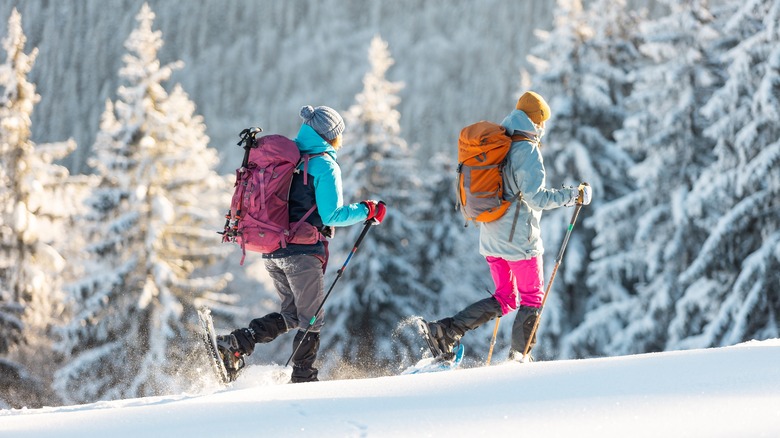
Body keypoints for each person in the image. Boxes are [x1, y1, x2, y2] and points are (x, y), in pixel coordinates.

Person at [217, 105, 386, 383]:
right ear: (330, 135)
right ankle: (304, 377)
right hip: (302, 252)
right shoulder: (325, 165)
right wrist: (367, 211)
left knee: (293, 315)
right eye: (339, 134)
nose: (341, 140)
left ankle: (238, 343)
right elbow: (332, 214)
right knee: (311, 320)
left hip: (273, 249)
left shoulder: (287, 159)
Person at [425, 91, 592, 362]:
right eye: (543, 121)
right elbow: (536, 198)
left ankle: (448, 329)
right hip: (519, 241)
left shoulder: (497, 142)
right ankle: (519, 358)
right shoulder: (527, 150)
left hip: (491, 237)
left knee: (506, 297)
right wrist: (573, 195)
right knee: (532, 297)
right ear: (536, 121)